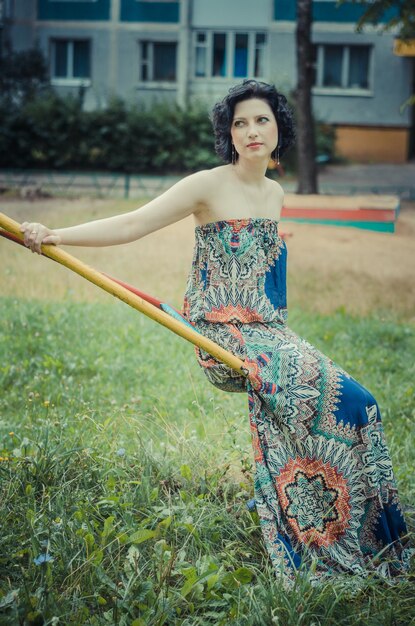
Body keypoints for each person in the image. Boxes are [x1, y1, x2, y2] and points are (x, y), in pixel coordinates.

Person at [21, 80, 412, 582]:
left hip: (269, 333)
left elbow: (270, 284)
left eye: (261, 120)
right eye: (240, 123)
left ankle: (363, 536)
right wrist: (53, 234)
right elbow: (131, 225)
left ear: (278, 129)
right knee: (343, 400)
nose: (251, 131)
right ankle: (317, 535)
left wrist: (283, 342)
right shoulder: (206, 184)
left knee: (361, 404)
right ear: (229, 133)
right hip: (222, 334)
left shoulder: (274, 191)